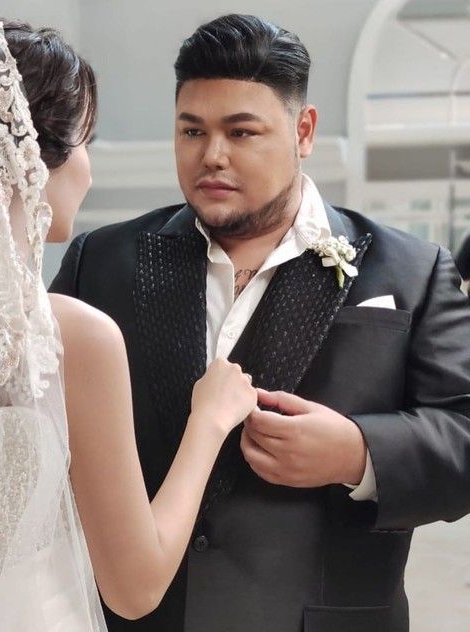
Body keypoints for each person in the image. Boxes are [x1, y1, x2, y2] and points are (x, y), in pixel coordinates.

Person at [0, 20, 259, 631]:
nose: (87, 168)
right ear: (26, 162)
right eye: (84, 143)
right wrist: (210, 420)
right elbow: (135, 587)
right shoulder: (67, 336)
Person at [51, 13, 470, 632]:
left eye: (241, 132)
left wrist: (359, 454)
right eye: (191, 130)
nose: (211, 156)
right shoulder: (100, 263)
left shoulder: (412, 269)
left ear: (304, 131)